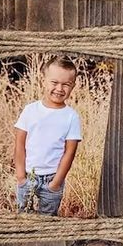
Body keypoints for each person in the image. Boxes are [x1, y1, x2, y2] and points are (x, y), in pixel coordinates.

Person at [14, 56, 82, 215]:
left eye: (66, 84)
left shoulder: (71, 116)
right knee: (23, 218)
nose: (59, 88)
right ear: (43, 80)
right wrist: (20, 176)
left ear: (73, 86)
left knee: (47, 220)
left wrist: (56, 182)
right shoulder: (30, 110)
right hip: (28, 176)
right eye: (54, 82)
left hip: (52, 178)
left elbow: (69, 153)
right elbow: (19, 145)